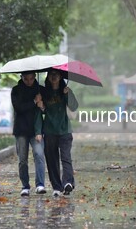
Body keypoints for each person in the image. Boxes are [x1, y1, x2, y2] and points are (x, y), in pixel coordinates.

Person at [35, 69, 79, 197]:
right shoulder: (43, 92)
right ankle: (56, 186)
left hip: (65, 130)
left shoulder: (65, 90)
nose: (54, 77)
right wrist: (40, 104)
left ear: (60, 77)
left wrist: (67, 94)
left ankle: (68, 183)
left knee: (66, 157)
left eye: (56, 75)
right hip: (49, 131)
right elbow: (41, 111)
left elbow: (74, 106)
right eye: (51, 75)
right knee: (52, 160)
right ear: (48, 77)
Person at [11, 71, 46, 196]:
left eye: (31, 78)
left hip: (37, 131)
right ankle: (25, 185)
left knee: (39, 156)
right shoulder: (16, 90)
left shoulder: (40, 90)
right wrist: (33, 102)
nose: (29, 81)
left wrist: (42, 106)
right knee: (22, 159)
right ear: (22, 78)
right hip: (21, 130)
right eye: (26, 79)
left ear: (35, 77)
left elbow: (46, 109)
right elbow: (19, 108)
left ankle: (40, 184)